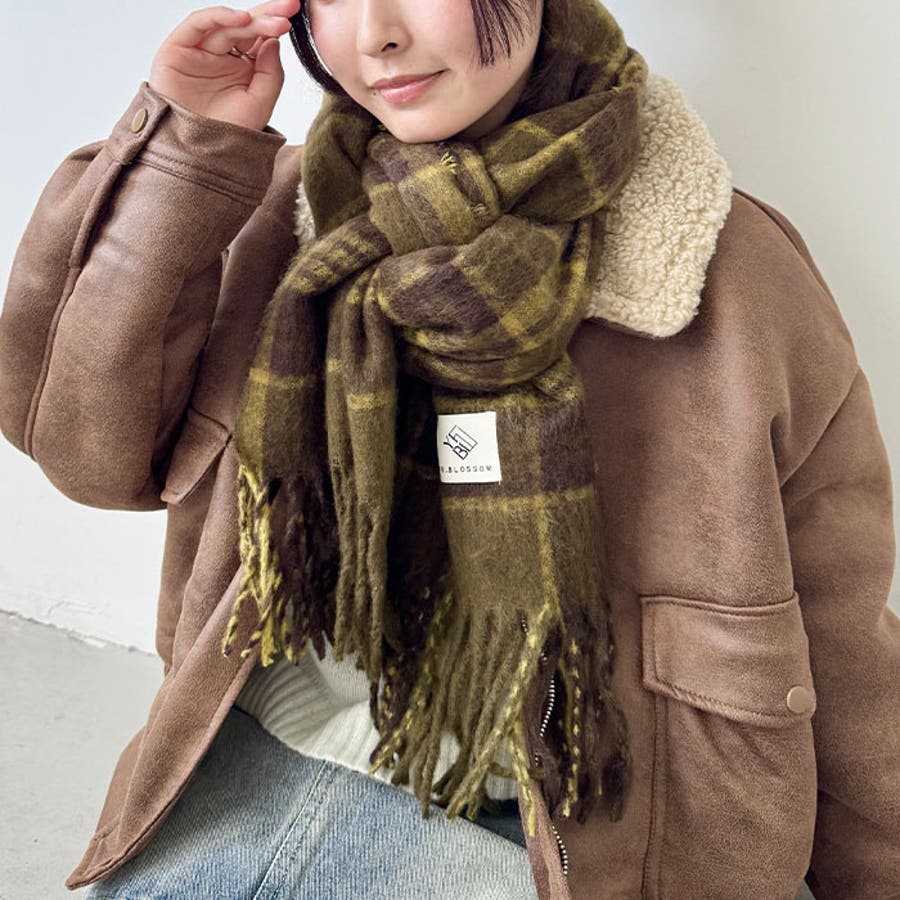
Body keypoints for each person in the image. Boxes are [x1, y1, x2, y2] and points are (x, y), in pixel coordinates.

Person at [0, 0, 897, 897]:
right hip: (237, 761)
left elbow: (842, 635)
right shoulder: (279, 210)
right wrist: (184, 150)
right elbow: (91, 457)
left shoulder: (733, 273)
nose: (375, 35)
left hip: (580, 841)